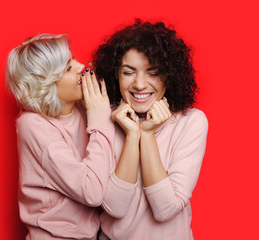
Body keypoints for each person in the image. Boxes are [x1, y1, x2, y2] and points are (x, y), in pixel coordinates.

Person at [93, 19, 208, 239]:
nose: (139, 84)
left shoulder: (191, 122)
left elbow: (165, 209)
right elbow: (115, 207)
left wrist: (146, 134)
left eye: (152, 73)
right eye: (128, 72)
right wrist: (132, 133)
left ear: (169, 77)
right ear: (116, 76)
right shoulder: (105, 117)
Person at [6, 34, 114, 240]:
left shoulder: (83, 108)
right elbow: (92, 192)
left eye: (73, 59)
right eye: (67, 68)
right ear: (45, 84)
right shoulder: (33, 125)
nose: (81, 66)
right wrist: (100, 117)